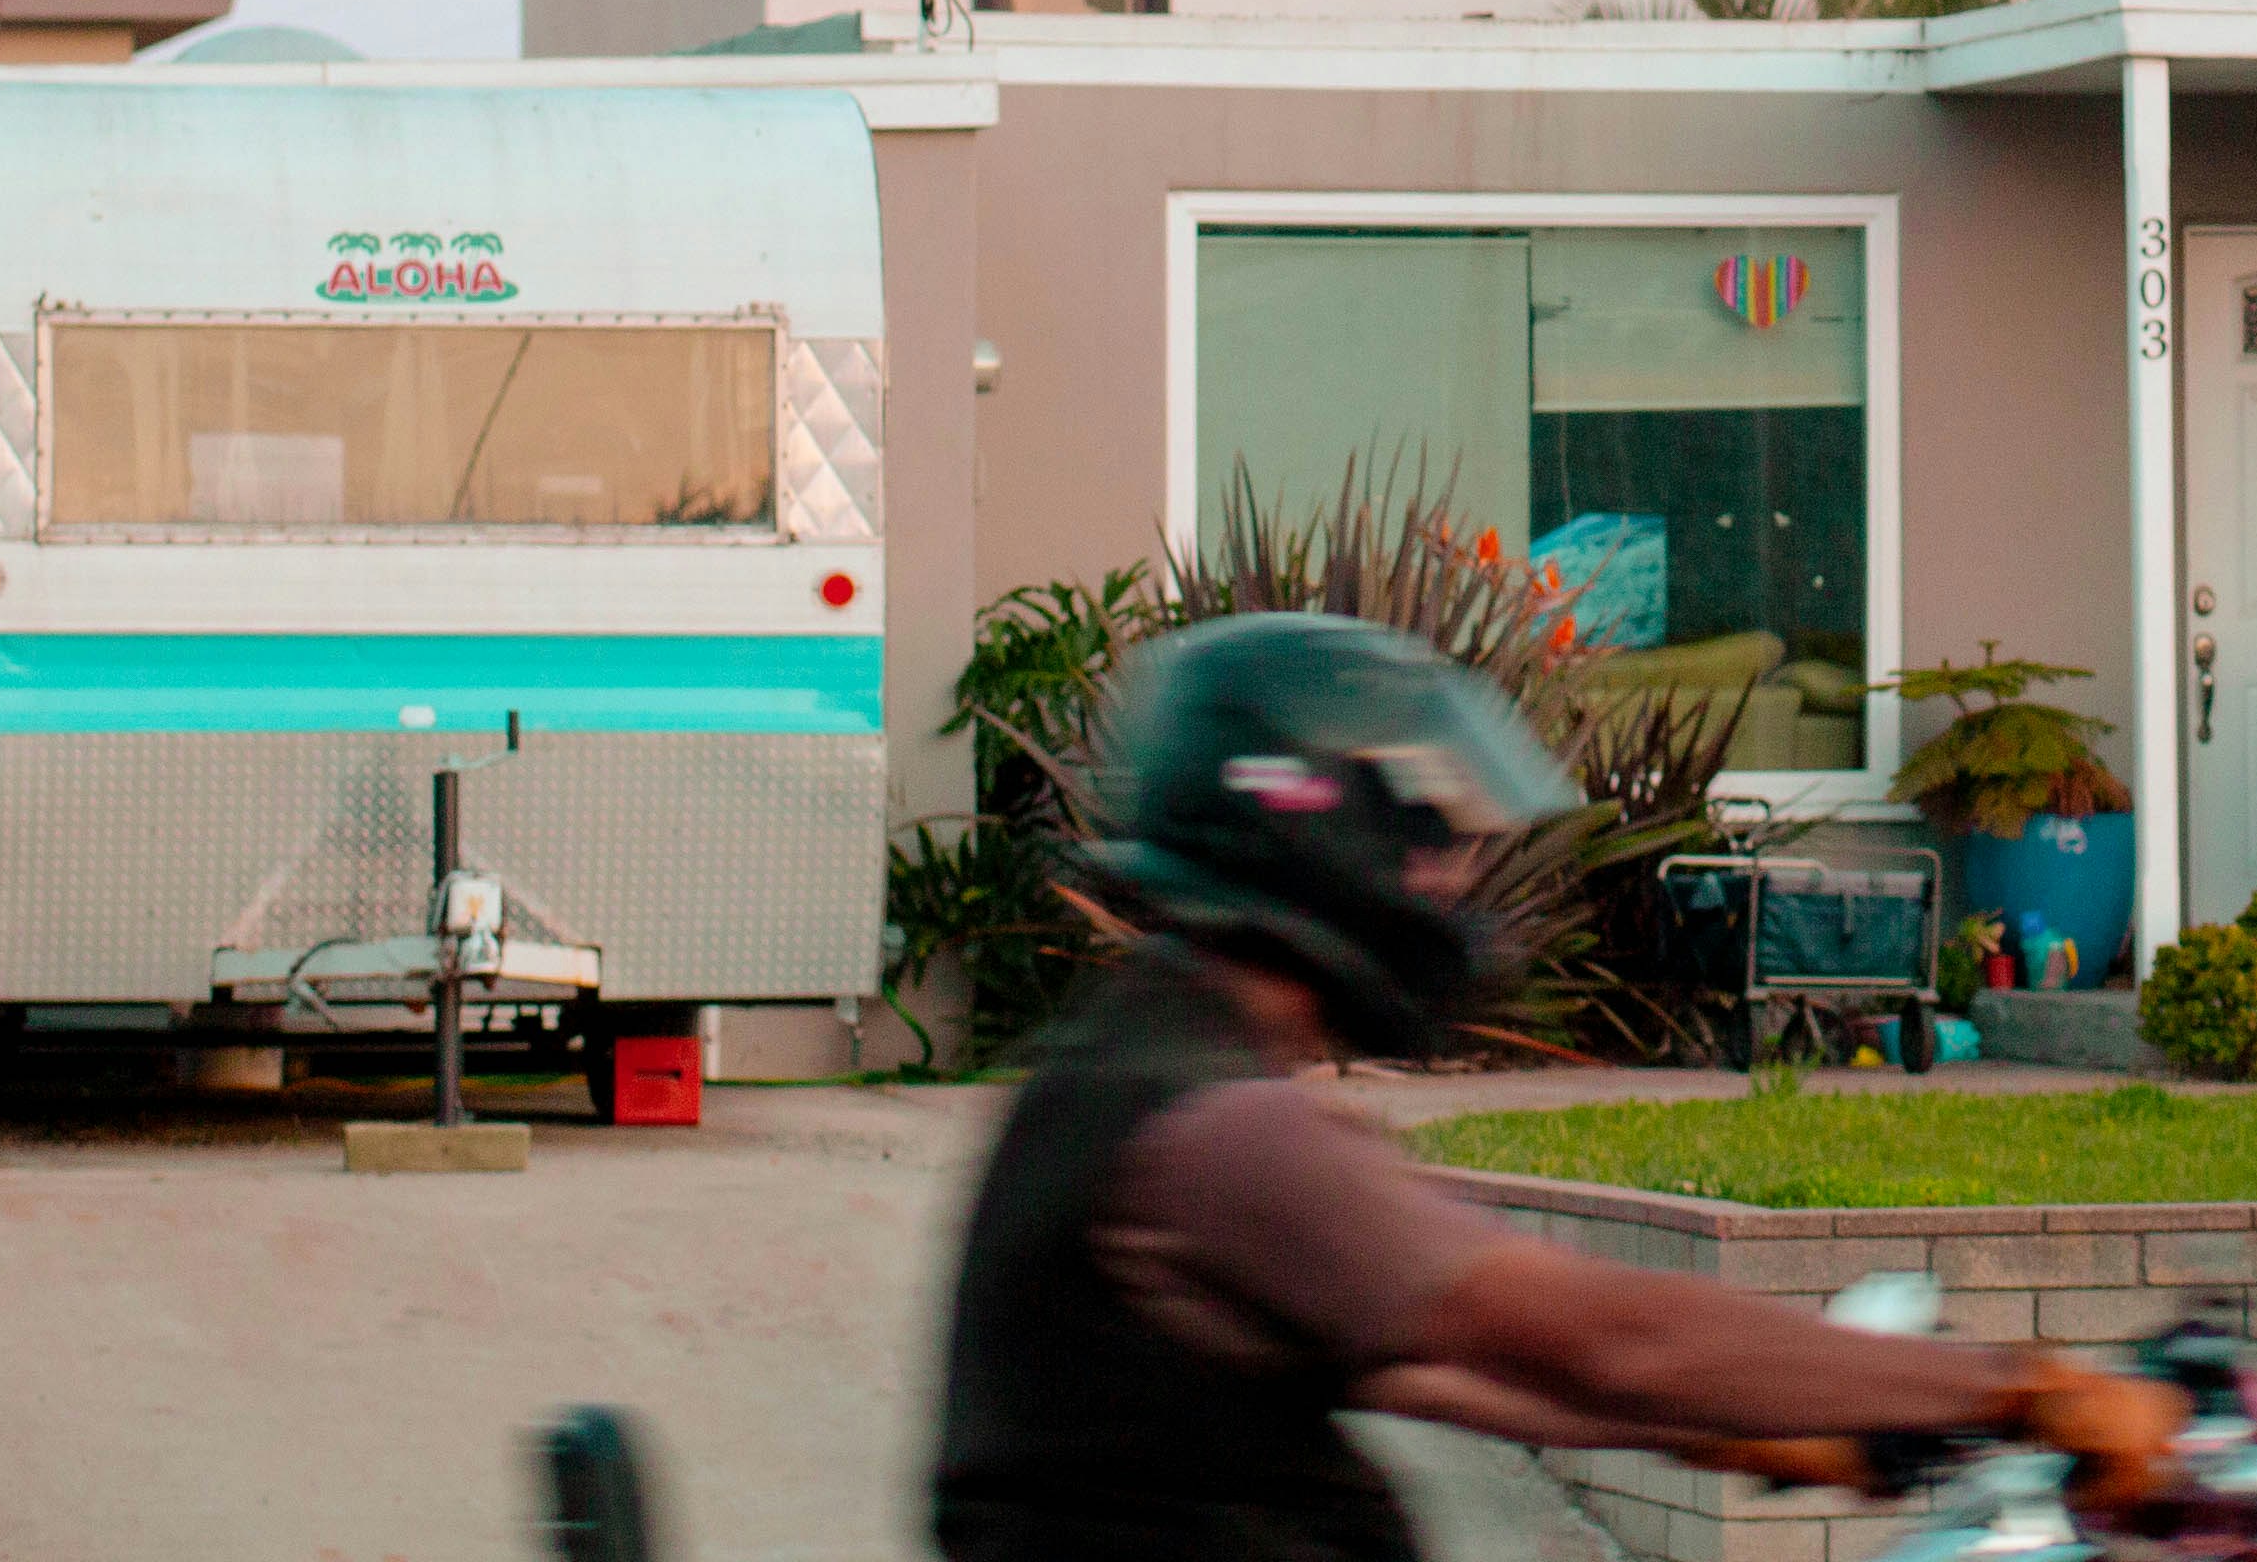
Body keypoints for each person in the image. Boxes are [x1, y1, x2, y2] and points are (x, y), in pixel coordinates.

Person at [931, 612, 2186, 1562]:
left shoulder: (1115, 1070)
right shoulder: (1225, 1134)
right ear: (1318, 823)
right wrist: (2026, 1391)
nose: (1453, 880)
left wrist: (1736, 1424)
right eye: (1431, 836)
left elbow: (1415, 1365)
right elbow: (1602, 1336)